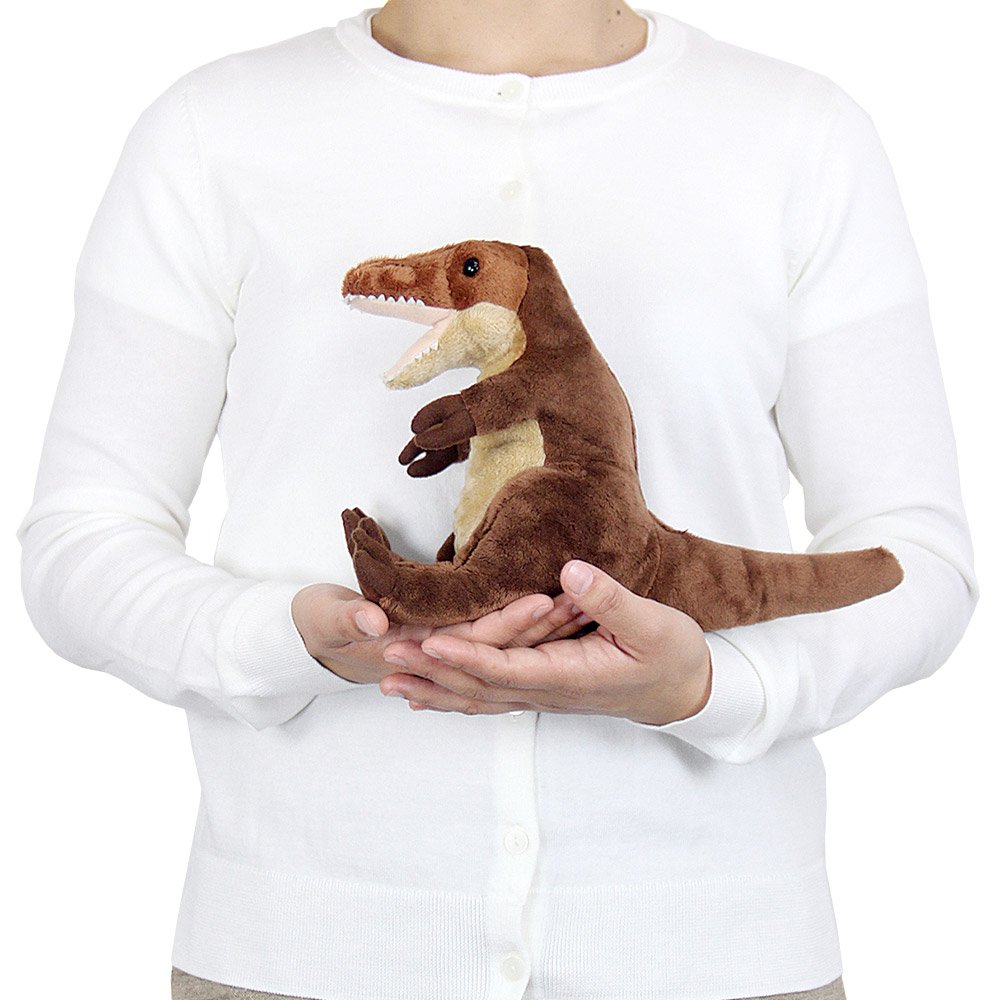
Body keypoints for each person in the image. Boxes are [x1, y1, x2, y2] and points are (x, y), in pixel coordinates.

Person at [16, 2, 978, 999]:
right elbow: (81, 541)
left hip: (716, 951)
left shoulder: (800, 134)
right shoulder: (213, 129)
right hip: (301, 948)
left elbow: (917, 563)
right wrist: (292, 640)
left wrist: (708, 688)